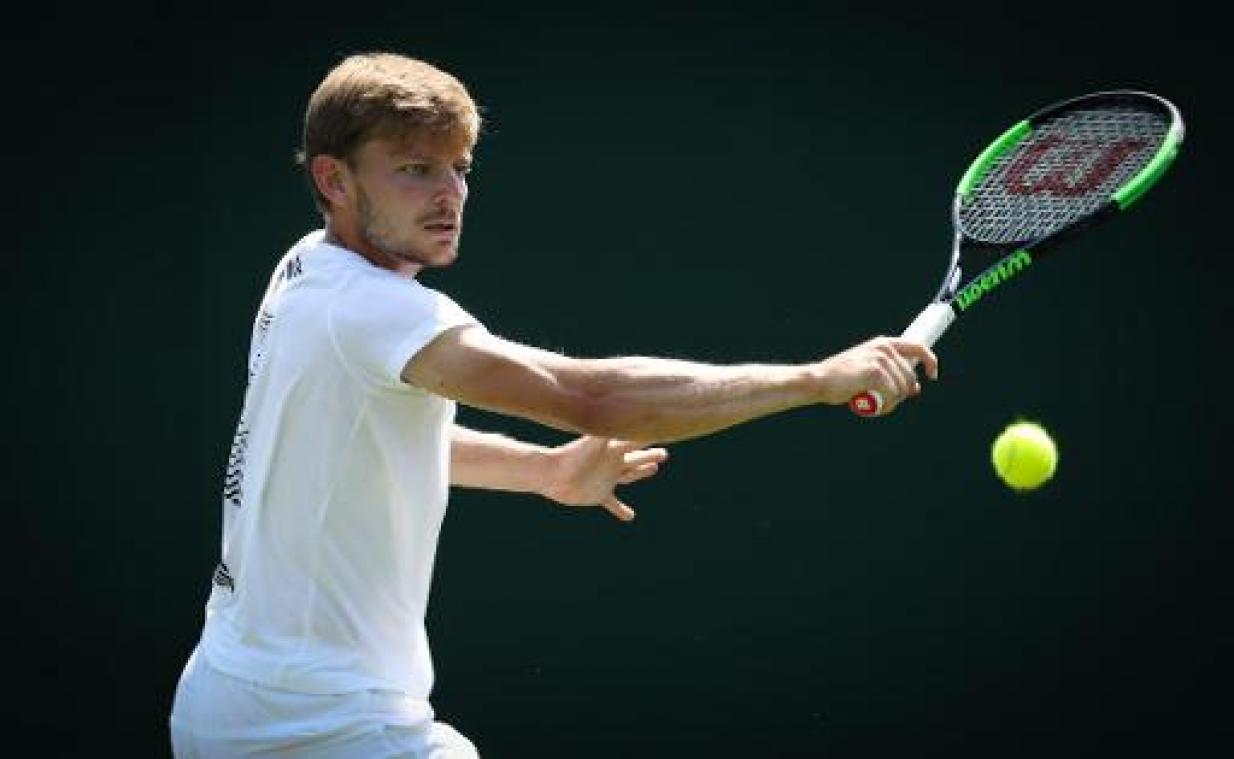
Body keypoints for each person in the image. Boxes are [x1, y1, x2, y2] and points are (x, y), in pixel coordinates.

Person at [168, 51, 938, 758]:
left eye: (458, 168)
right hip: (317, 727)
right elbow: (591, 395)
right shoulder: (373, 311)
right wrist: (815, 379)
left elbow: (368, 448)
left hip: (227, 704)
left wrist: (545, 472)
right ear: (335, 180)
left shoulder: (307, 268)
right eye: (413, 169)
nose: (449, 195)